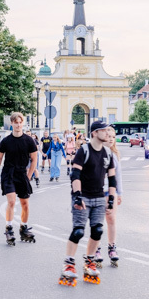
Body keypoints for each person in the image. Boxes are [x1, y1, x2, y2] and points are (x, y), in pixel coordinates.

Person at [58, 121, 116, 287]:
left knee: (97, 231)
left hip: (99, 197)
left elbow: (112, 178)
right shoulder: (84, 151)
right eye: (103, 131)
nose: (107, 133)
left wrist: (110, 198)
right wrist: (77, 196)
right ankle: (68, 263)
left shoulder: (108, 153)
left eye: (107, 130)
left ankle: (89, 261)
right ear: (94, 133)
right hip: (83, 197)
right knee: (78, 231)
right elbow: (75, 175)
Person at [0, 112, 38, 245]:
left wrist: (29, 176)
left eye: (20, 122)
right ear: (11, 124)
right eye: (15, 122)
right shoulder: (6, 141)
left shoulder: (29, 140)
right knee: (11, 201)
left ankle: (24, 227)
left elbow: (34, 159)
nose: (18, 124)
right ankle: (9, 228)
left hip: (22, 173)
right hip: (8, 173)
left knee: (25, 204)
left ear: (23, 123)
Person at [93, 126, 123, 268]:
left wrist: (119, 193)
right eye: (108, 136)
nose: (111, 139)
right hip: (97, 192)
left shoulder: (115, 155)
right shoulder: (96, 153)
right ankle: (96, 249)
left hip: (110, 192)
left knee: (111, 219)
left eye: (113, 137)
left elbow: (118, 176)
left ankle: (112, 248)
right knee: (98, 222)